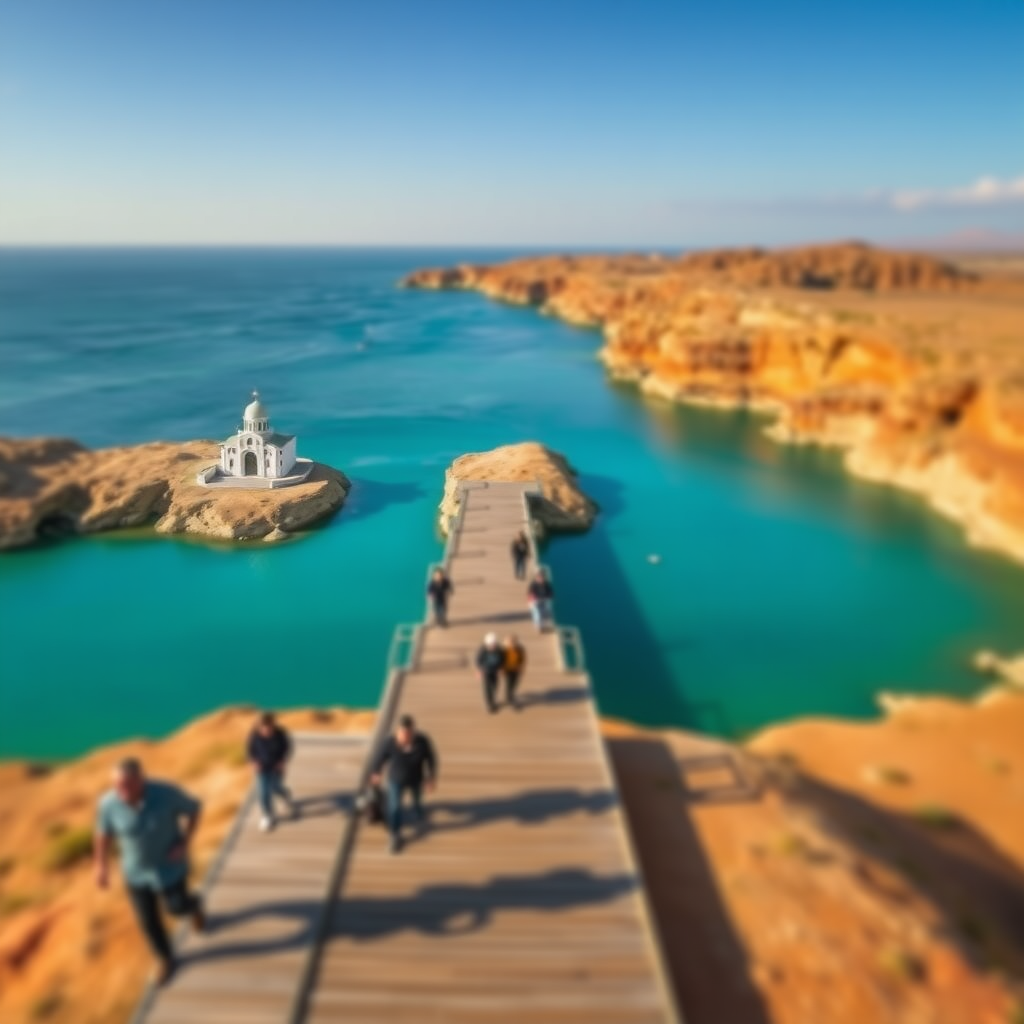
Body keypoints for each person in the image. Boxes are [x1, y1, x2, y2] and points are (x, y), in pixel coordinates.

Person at [94, 758, 205, 986]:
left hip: (171, 869)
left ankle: (193, 905)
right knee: (148, 921)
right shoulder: (108, 803)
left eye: (126, 784)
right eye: (116, 785)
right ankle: (165, 959)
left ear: (140, 780)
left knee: (177, 908)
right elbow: (103, 835)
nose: (120, 790)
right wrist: (101, 866)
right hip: (136, 873)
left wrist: (184, 842)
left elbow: (194, 809)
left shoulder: (166, 793)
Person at [370, 714, 438, 854]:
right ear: (398, 731)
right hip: (396, 780)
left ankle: (418, 810)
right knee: (394, 807)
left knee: (417, 801)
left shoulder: (422, 742)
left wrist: (431, 778)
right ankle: (395, 835)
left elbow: (432, 759)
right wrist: (376, 772)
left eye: (408, 733)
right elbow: (380, 757)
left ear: (413, 731)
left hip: (416, 779)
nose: (405, 736)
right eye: (402, 732)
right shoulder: (390, 743)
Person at [247, 711, 294, 831]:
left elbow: (287, 748)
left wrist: (282, 761)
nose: (266, 731)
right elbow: (250, 751)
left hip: (276, 767)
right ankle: (267, 815)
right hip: (262, 768)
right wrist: (254, 762)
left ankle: (285, 795)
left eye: (268, 728)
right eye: (263, 728)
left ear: (273, 725)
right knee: (263, 793)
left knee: (275, 788)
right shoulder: (254, 736)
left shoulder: (281, 734)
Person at [476, 632, 506, 713]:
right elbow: (478, 661)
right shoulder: (483, 650)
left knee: (495, 686)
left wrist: (501, 669)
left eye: (494, 644)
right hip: (486, 671)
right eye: (490, 645)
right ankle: (490, 704)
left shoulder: (499, 650)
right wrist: (479, 670)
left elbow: (503, 660)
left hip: (495, 671)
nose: (492, 646)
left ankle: (493, 700)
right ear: (487, 644)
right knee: (487, 688)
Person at [502, 634, 527, 709]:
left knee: (515, 683)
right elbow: (501, 660)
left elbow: (522, 659)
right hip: (507, 669)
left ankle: (510, 695)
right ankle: (509, 697)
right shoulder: (504, 650)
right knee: (509, 683)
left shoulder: (520, 649)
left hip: (516, 669)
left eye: (513, 643)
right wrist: (502, 669)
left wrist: (522, 667)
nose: (512, 645)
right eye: (510, 643)